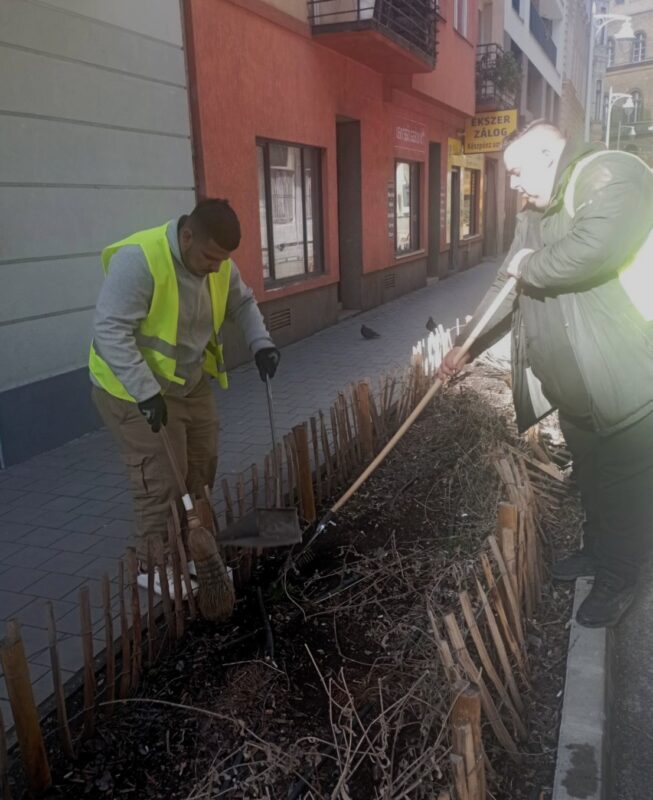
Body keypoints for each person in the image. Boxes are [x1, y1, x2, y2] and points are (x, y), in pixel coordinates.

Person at [439, 121, 653, 628]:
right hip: (577, 393)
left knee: (625, 489)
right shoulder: (535, 213)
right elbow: (507, 283)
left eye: (517, 171)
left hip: (624, 384)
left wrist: (527, 264)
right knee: (594, 482)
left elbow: (590, 250)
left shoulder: (611, 173)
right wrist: (467, 346)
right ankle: (598, 553)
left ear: (547, 153)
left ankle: (619, 578)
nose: (513, 184)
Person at [89, 199, 280, 595]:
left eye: (222, 260)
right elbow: (109, 332)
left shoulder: (218, 263)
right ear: (187, 236)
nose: (217, 268)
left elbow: (242, 301)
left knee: (201, 465)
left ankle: (195, 550)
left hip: (188, 383)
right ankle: (153, 565)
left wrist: (260, 343)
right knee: (161, 476)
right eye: (210, 258)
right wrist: (145, 392)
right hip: (130, 389)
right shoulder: (140, 261)